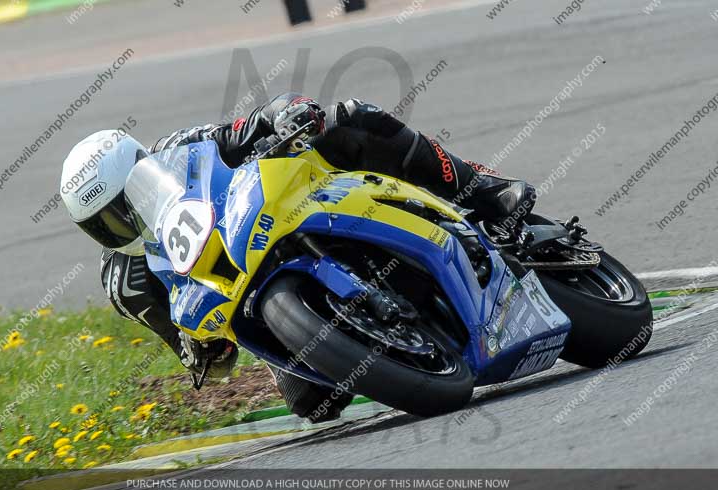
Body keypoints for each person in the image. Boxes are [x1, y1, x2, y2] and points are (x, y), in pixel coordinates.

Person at [59, 93, 536, 422]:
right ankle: (398, 337)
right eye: (105, 224)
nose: (122, 225)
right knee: (312, 403)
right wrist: (201, 348)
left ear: (143, 168)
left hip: (276, 218)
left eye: (125, 206)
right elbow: (201, 356)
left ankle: (484, 190)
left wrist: (289, 114)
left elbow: (251, 124)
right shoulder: (126, 282)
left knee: (348, 117)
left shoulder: (177, 150)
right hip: (253, 304)